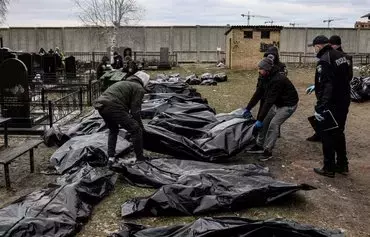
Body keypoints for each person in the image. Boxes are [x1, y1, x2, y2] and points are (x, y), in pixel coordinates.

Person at [308, 35, 351, 178]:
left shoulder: (324, 60)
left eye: (314, 47)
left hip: (331, 103)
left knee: (327, 134)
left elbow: (328, 85)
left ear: (318, 46)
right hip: (343, 100)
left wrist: (321, 106)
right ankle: (342, 165)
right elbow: (344, 77)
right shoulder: (341, 56)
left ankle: (329, 168)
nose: (314, 50)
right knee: (339, 132)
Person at [243, 56, 299, 161]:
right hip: (277, 103)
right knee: (264, 121)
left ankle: (268, 151)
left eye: (261, 69)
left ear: (267, 69)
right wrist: (248, 108)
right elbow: (258, 94)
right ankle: (259, 145)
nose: (259, 71)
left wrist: (259, 119)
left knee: (273, 124)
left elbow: (269, 101)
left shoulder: (278, 80)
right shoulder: (265, 77)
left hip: (288, 105)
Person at [93, 71, 150, 166]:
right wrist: (141, 127)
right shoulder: (138, 88)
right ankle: (140, 159)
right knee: (136, 129)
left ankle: (111, 157)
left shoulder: (125, 83)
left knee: (113, 130)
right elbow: (135, 112)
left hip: (101, 106)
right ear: (144, 82)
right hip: (113, 106)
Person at [306, 35, 353, 142]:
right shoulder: (341, 57)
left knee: (335, 126)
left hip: (333, 98)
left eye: (315, 47)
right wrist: (317, 85)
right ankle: (323, 137)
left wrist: (322, 104)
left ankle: (332, 150)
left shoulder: (332, 58)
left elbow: (343, 78)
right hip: (340, 96)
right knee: (333, 126)